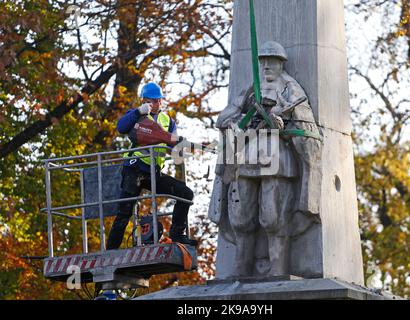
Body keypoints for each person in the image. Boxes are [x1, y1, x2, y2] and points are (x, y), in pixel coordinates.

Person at [210, 41, 323, 276]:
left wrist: (282, 124)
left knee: (274, 219)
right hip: (246, 159)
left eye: (272, 61)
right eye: (263, 61)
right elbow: (226, 116)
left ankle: (278, 272)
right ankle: (240, 272)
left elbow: (305, 127)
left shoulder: (291, 90)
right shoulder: (254, 87)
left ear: (281, 64)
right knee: (241, 220)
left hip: (278, 161)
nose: (267, 66)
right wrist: (236, 121)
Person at [106, 82, 197, 249]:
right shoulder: (136, 116)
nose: (155, 104)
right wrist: (138, 111)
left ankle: (177, 234)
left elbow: (173, 149)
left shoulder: (167, 121)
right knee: (124, 211)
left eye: (157, 101)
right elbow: (121, 127)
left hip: (153, 173)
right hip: (134, 169)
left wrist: (181, 145)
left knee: (185, 193)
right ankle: (111, 250)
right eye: (151, 101)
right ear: (144, 101)